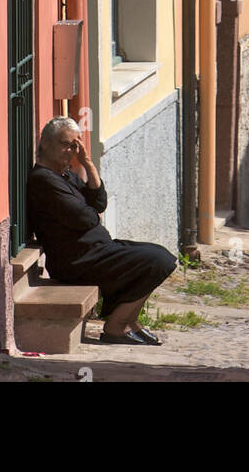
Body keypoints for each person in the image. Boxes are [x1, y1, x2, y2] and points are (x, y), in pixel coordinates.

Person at [27, 117, 177, 346]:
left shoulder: (65, 175)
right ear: (45, 144)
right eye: (65, 144)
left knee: (159, 255)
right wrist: (92, 215)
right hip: (77, 261)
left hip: (96, 250)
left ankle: (130, 321)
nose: (70, 151)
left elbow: (99, 203)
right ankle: (116, 326)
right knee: (158, 260)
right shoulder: (44, 180)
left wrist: (87, 163)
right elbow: (86, 218)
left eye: (74, 146)